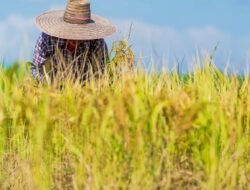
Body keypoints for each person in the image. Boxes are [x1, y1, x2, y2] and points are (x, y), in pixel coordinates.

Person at [31, 0, 116, 83]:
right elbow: (37, 69)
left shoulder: (96, 43)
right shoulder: (47, 39)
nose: (76, 38)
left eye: (81, 32)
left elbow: (102, 73)